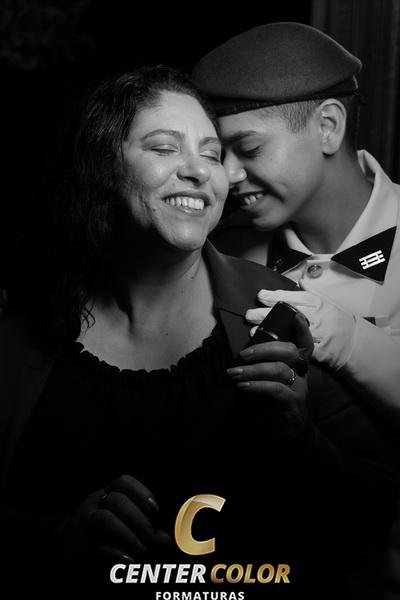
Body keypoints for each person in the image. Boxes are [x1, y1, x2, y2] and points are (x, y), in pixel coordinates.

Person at [0, 65, 397, 598]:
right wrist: (55, 539)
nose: (200, 171)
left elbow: (371, 511)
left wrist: (298, 439)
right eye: (165, 148)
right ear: (102, 165)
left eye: (211, 154)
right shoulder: (26, 329)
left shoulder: (278, 311)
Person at [191, 21, 400, 597]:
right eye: (218, 153)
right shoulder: (222, 252)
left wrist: (339, 334)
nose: (229, 175)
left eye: (248, 148)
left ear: (328, 125)